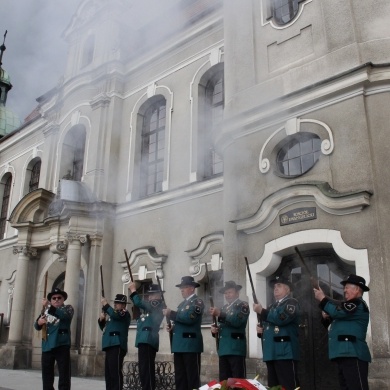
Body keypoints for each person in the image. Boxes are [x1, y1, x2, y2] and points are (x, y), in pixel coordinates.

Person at [314, 274, 371, 390]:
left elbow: (337, 313)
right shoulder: (347, 307)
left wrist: (322, 299)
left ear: (357, 289)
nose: (344, 290)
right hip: (343, 353)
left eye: (347, 287)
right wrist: (326, 317)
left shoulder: (358, 304)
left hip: (353, 353)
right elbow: (332, 321)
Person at [253, 276, 300, 390]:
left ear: (287, 289)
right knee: (274, 386)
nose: (275, 288)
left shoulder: (291, 303)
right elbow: (268, 326)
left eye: (279, 286)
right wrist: (260, 330)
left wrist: (262, 311)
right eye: (274, 286)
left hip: (285, 351)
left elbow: (281, 318)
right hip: (271, 352)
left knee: (288, 385)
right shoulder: (272, 306)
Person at [162, 276, 204, 390]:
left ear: (192, 288)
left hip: (190, 345)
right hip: (179, 345)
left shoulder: (197, 302)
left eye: (184, 287)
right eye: (181, 288)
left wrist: (171, 313)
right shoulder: (181, 305)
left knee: (192, 378)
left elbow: (189, 318)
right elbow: (181, 323)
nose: (182, 290)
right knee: (180, 378)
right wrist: (173, 328)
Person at [34, 287, 74, 390]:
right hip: (47, 345)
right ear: (51, 300)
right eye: (54, 298)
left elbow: (65, 316)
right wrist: (39, 322)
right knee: (47, 376)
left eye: (59, 298)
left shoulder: (68, 308)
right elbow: (36, 325)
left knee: (64, 375)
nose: (56, 299)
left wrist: (48, 306)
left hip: (61, 344)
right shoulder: (46, 311)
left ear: (63, 299)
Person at [209, 280, 250, 381]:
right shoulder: (224, 308)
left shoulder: (243, 305)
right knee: (224, 381)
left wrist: (220, 314)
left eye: (230, 292)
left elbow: (238, 321)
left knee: (237, 381)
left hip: (236, 348)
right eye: (226, 293)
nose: (227, 295)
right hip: (223, 349)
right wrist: (215, 330)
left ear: (237, 293)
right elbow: (222, 327)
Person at [128, 282, 165, 390]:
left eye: (152, 294)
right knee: (143, 370)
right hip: (143, 339)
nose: (150, 296)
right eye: (149, 294)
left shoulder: (157, 304)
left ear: (158, 295)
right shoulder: (149, 306)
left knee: (147, 370)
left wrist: (134, 291)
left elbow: (140, 303)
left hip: (149, 339)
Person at [98, 293, 131, 390]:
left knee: (115, 373)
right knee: (108, 375)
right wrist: (101, 320)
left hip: (117, 345)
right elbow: (104, 328)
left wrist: (106, 305)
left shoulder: (124, 313)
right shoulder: (112, 316)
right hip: (109, 345)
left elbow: (115, 315)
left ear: (124, 305)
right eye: (115, 302)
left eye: (118, 303)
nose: (116, 304)